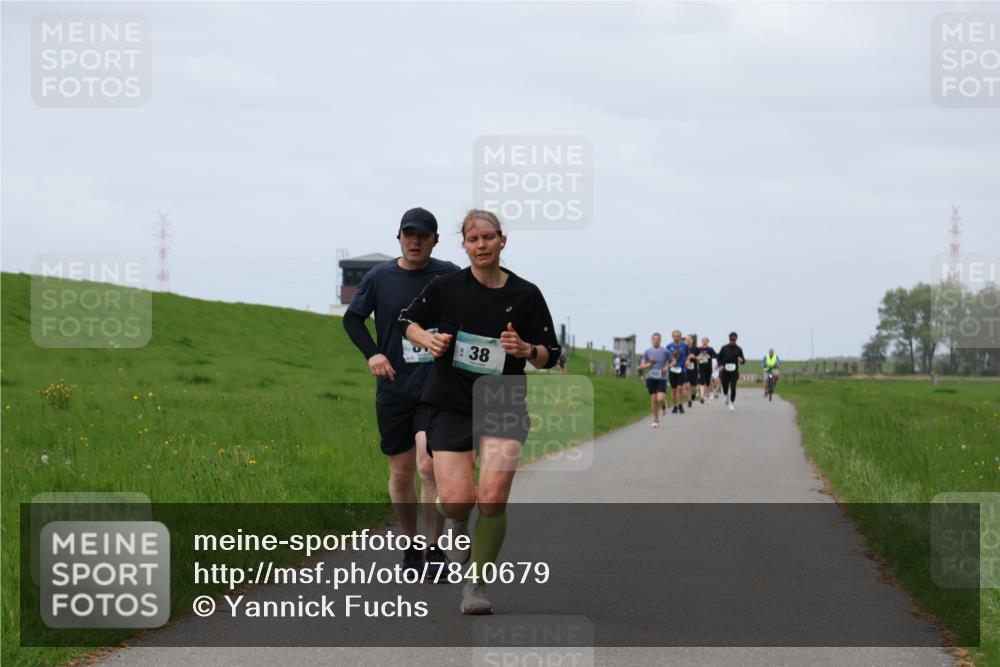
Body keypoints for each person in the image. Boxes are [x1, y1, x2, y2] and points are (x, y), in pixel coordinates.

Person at [399, 209, 561, 615]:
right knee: (457, 501)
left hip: (503, 402)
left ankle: (475, 585)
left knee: (491, 500)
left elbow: (550, 355)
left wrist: (526, 351)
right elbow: (407, 321)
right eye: (473, 240)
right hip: (451, 403)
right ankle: (455, 524)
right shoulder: (446, 287)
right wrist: (427, 340)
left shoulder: (526, 295)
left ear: (502, 241)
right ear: (464, 245)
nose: (481, 245)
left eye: (488, 238)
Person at [343, 207, 459, 578]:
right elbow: (352, 318)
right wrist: (373, 353)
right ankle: (411, 545)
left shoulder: (449, 275)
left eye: (423, 235)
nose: (415, 241)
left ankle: (434, 549)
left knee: (429, 467)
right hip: (394, 387)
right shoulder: (381, 277)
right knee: (401, 471)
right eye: (408, 234)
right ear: (399, 237)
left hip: (435, 388)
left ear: (434, 240)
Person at [639, 333, 669, 427]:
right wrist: (650, 364)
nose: (656, 340)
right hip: (651, 378)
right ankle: (656, 419)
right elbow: (642, 366)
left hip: (662, 378)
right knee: (653, 399)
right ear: (651, 340)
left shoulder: (665, 351)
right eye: (654, 339)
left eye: (658, 339)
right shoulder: (647, 352)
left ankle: (663, 404)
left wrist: (667, 367)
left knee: (659, 398)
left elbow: (673, 361)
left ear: (660, 340)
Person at [717, 331, 746, 412]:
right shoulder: (724, 348)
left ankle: (731, 404)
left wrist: (741, 360)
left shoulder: (739, 349)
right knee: (725, 388)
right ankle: (726, 395)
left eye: (734, 340)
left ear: (736, 339)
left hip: (734, 372)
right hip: (725, 371)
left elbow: (743, 360)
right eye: (731, 340)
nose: (732, 341)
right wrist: (720, 365)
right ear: (729, 339)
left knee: (733, 388)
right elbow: (719, 358)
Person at [665, 330, 689, 414]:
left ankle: (680, 405)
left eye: (678, 336)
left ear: (680, 337)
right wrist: (667, 365)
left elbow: (688, 355)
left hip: (681, 369)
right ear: (672, 337)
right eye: (675, 336)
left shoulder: (684, 345)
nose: (676, 338)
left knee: (680, 388)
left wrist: (687, 361)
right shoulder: (669, 346)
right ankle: (675, 406)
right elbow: (666, 357)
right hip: (672, 370)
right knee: (674, 389)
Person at [696, 336, 717, 404]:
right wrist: (699, 357)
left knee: (707, 383)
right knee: (702, 382)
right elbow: (695, 357)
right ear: (701, 342)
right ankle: (702, 396)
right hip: (701, 367)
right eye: (703, 341)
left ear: (708, 342)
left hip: (708, 368)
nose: (704, 342)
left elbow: (715, 355)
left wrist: (710, 356)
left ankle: (706, 394)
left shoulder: (710, 349)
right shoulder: (699, 349)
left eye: (705, 341)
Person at [684, 334, 698, 408]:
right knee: (687, 385)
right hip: (686, 370)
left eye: (689, 339)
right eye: (686, 339)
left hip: (694, 370)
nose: (688, 341)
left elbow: (700, 357)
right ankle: (689, 401)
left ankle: (693, 394)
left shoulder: (696, 348)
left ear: (692, 341)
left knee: (693, 388)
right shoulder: (683, 348)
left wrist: (694, 357)